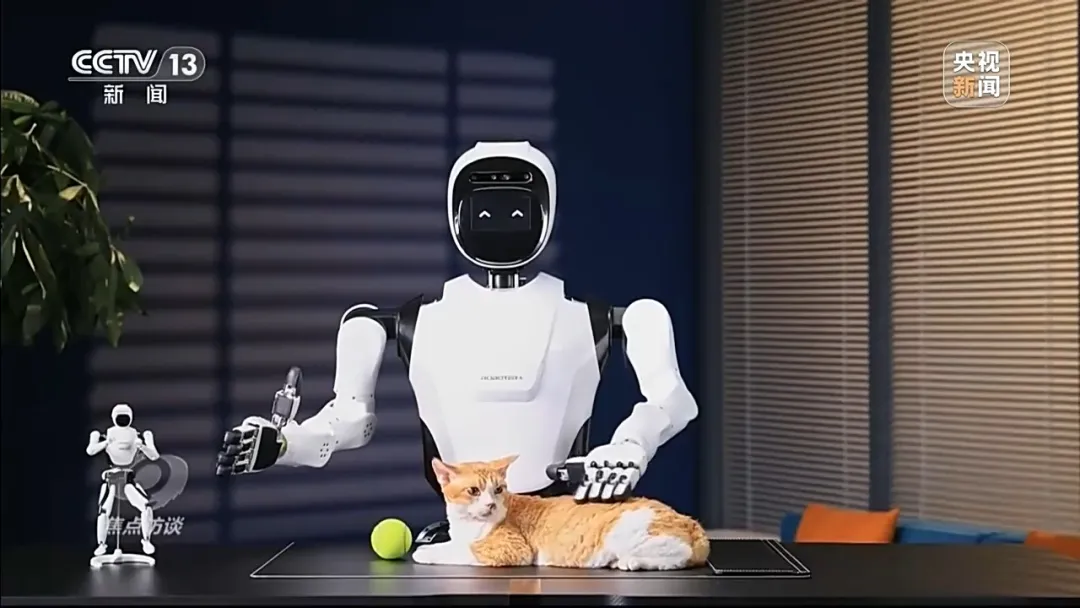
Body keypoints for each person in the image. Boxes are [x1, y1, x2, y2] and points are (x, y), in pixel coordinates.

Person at [216, 141, 698, 545]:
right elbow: (351, 420)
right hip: (462, 531)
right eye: (486, 209)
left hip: (560, 523)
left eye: (514, 208)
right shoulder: (403, 321)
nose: (500, 219)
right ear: (458, 212)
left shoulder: (611, 318)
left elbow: (673, 400)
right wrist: (286, 443)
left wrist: (630, 445)